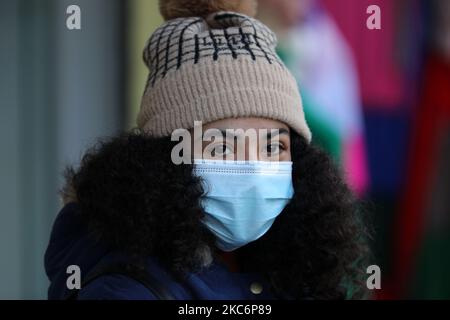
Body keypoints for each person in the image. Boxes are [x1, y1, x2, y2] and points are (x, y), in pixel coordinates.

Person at [45, 0, 370, 300]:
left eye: (274, 146)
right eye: (221, 146)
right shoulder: (124, 293)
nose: (254, 169)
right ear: (162, 161)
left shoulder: (286, 267)